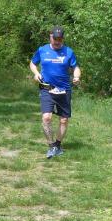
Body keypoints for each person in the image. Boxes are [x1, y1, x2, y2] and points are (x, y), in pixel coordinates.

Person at [29, 26, 82, 159]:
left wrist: (76, 76)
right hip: (47, 88)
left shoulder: (68, 52)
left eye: (60, 39)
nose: (57, 41)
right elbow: (32, 63)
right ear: (50, 37)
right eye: (55, 38)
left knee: (63, 120)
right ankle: (51, 146)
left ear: (62, 39)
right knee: (46, 117)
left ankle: (58, 145)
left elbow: (75, 67)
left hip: (64, 90)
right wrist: (36, 73)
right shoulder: (42, 50)